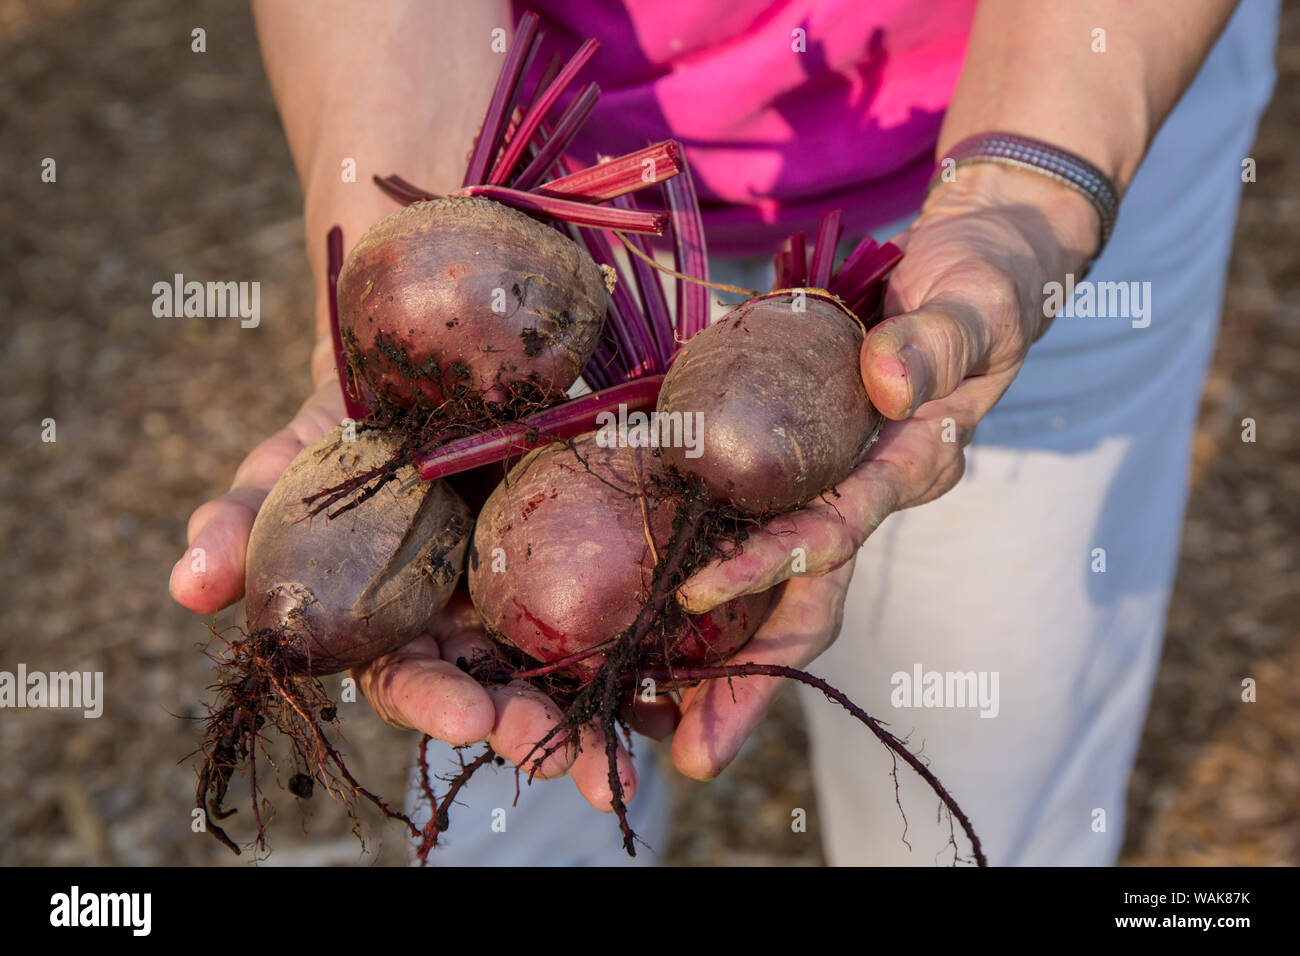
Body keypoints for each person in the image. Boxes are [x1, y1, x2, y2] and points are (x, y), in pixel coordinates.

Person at [171, 0, 1279, 865]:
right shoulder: (529, 285)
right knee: (504, 784)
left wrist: (1025, 199)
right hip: (547, 197)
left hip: (1048, 116)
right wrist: (405, 206)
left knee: (988, 762)